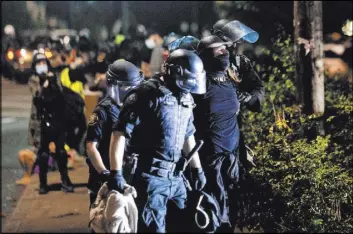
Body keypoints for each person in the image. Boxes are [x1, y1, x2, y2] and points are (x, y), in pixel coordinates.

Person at [108, 49, 208, 233]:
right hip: (150, 179)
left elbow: (188, 135)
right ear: (174, 72)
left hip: (177, 177)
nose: (190, 85)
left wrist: (197, 168)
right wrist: (116, 173)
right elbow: (119, 133)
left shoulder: (185, 96)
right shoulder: (145, 95)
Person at [85, 60, 145, 207]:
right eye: (126, 87)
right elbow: (91, 146)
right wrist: (105, 173)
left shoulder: (133, 108)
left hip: (127, 175)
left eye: (134, 87)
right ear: (114, 86)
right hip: (104, 178)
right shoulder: (102, 111)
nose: (131, 91)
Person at [29, 52, 74, 195]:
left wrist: (53, 82)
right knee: (43, 154)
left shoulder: (54, 77)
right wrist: (44, 84)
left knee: (61, 152)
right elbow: (36, 96)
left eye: (43, 63)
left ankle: (65, 180)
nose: (41, 66)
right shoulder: (34, 79)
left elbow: (61, 94)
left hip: (56, 119)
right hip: (41, 121)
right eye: (38, 64)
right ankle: (43, 183)